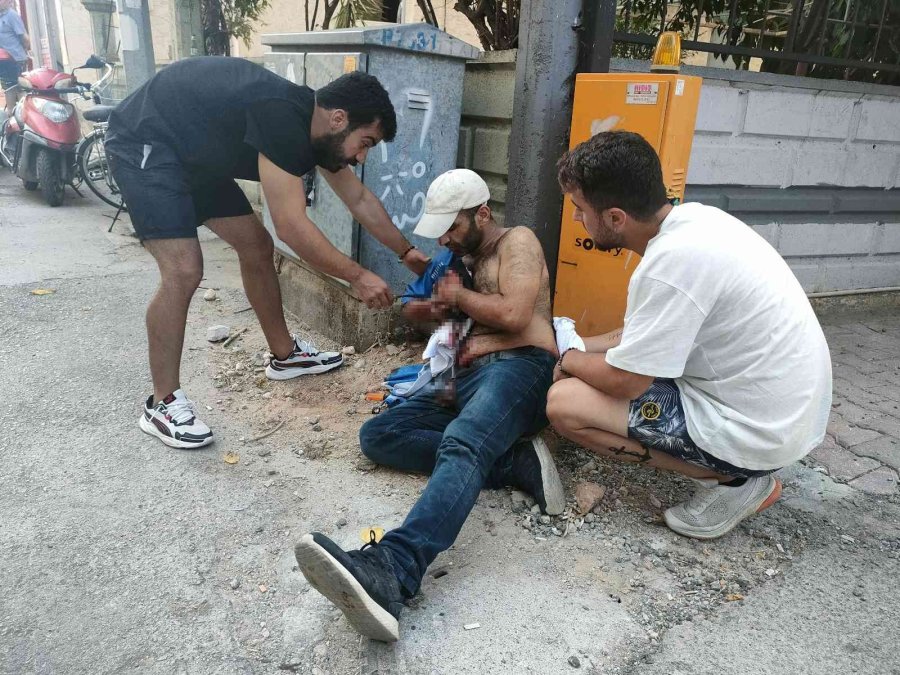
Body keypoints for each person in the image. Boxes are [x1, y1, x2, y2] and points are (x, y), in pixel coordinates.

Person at [293, 169, 565, 642]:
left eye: (453, 227)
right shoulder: (459, 260)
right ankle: (513, 462)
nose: (445, 238)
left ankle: (394, 570)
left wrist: (458, 297)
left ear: (482, 212)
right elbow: (451, 320)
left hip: (519, 370)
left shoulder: (516, 242)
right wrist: (428, 311)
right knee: (379, 435)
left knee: (461, 444)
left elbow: (516, 314)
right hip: (468, 372)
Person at [105, 56, 429, 450]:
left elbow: (359, 199)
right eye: (366, 144)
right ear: (339, 119)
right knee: (184, 269)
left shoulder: (314, 129)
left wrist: (407, 252)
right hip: (146, 140)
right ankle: (162, 403)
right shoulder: (282, 117)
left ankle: (285, 356)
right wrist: (358, 276)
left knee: (256, 245)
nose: (361, 158)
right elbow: (291, 227)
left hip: (196, 156)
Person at [546, 130, 832, 540]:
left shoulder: (667, 268)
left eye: (580, 209)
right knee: (591, 374)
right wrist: (580, 344)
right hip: (785, 411)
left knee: (565, 404)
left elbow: (627, 381)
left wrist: (567, 360)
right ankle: (733, 468)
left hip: (758, 430)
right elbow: (649, 333)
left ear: (614, 218)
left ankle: (732, 481)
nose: (576, 219)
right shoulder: (698, 221)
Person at [0, 0, 30, 115]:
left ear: (8, 2)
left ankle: (24, 115)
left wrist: (24, 51)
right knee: (9, 88)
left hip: (16, 59)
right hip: (4, 60)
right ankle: (12, 116)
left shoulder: (11, 15)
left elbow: (24, 38)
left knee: (19, 87)